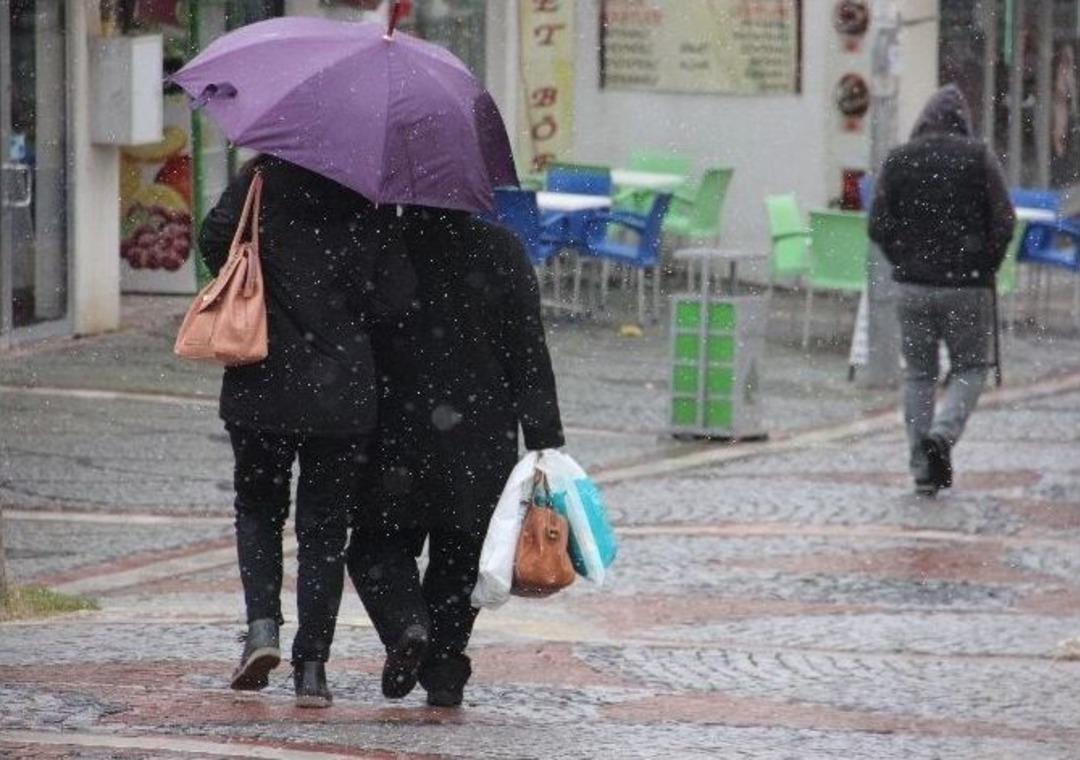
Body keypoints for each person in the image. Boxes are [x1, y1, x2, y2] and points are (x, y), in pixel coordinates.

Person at [346, 206, 564, 708]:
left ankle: (407, 625)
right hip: (479, 435)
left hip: (393, 428)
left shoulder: (382, 244)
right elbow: (528, 349)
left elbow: (352, 334)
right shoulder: (502, 249)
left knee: (376, 545)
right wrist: (543, 435)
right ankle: (444, 666)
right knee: (461, 555)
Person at [199, 155, 391, 707]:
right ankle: (313, 666)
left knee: (259, 508)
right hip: (342, 392)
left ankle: (262, 627)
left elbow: (215, 239)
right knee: (325, 530)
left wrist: (255, 271)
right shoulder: (365, 192)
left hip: (261, 375)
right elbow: (389, 296)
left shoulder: (262, 176)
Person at [869, 84, 1015, 496]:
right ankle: (942, 435)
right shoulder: (978, 158)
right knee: (971, 367)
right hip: (967, 285)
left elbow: (877, 225)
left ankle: (921, 466)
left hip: (912, 287)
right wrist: (984, 263)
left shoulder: (899, 160)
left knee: (918, 373)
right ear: (962, 122)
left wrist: (904, 259)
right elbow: (1004, 222)